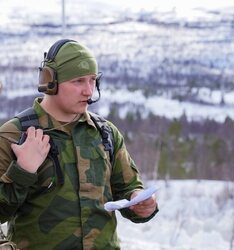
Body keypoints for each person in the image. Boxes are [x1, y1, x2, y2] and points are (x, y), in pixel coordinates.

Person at [0, 39, 158, 250]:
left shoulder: (105, 133)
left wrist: (140, 202)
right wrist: (23, 170)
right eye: (78, 81)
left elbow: (128, 188)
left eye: (93, 80)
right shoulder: (14, 135)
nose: (88, 91)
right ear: (50, 81)